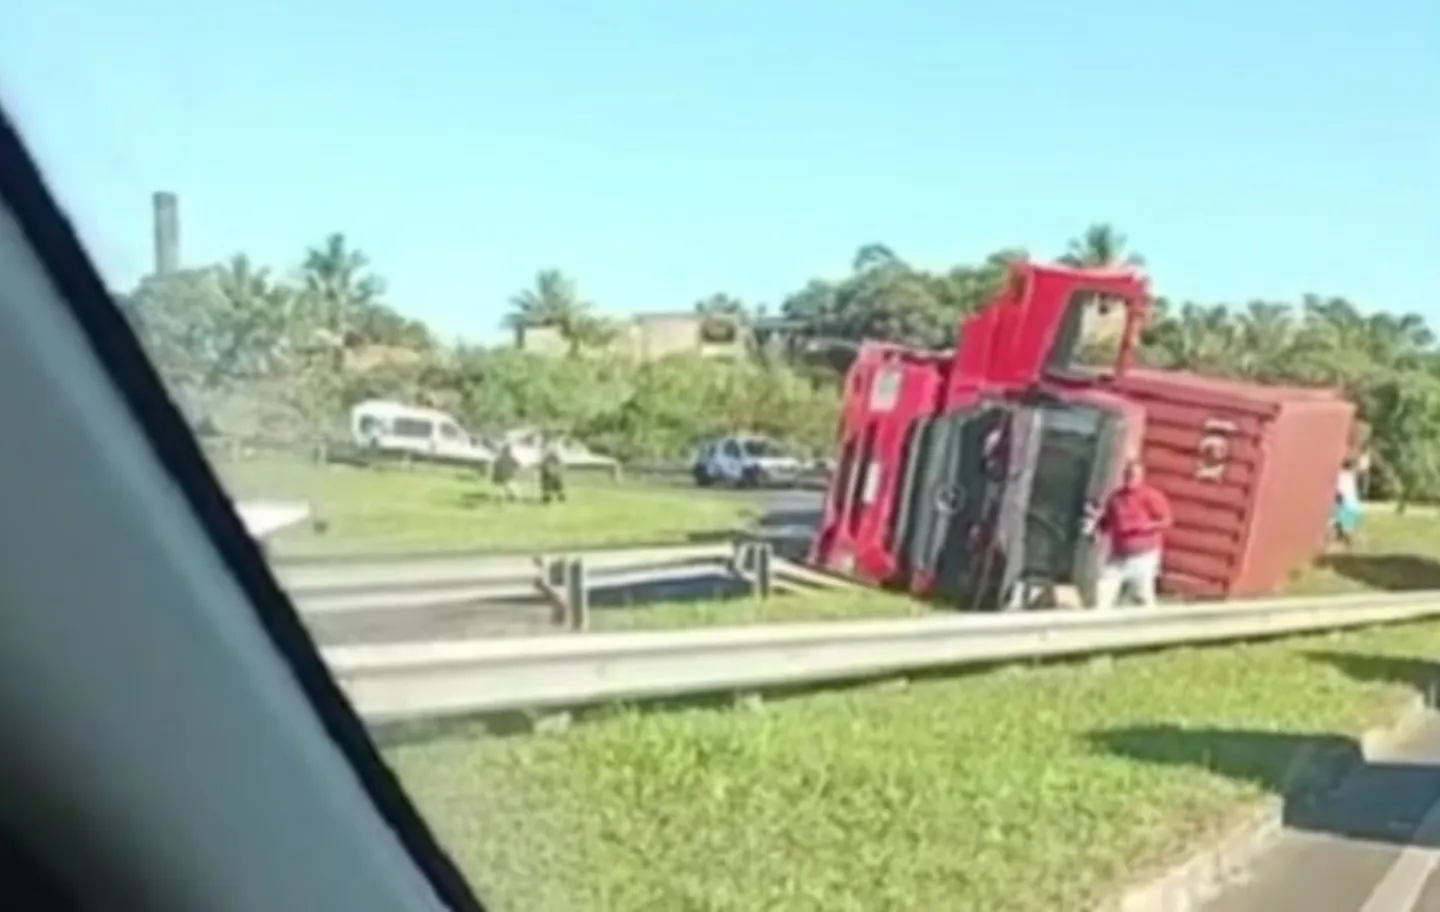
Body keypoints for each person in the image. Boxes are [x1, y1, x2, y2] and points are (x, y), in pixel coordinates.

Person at [1085, 457, 1173, 609]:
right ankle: (1099, 618)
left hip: (1143, 555)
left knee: (1142, 594)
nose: (1130, 478)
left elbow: (1166, 520)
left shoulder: (1151, 496)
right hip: (1119, 554)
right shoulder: (1116, 498)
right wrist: (1097, 532)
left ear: (1141, 477)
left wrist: (1147, 526)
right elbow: (1107, 520)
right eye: (1128, 474)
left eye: (1134, 475)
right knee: (1104, 587)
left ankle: (1151, 619)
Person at [1332, 457, 1362, 549]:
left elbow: (1339, 491)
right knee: (1345, 523)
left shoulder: (1341, 475)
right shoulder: (1350, 475)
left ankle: (1344, 539)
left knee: (1340, 521)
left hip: (1344, 501)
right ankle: (1344, 538)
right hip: (1352, 501)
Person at [539, 436, 567, 505]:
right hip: (550, 469)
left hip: (549, 469)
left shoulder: (549, 451)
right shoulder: (551, 450)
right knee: (554, 483)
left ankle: (549, 497)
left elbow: (545, 460)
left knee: (549, 483)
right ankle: (558, 496)